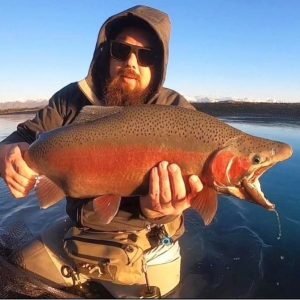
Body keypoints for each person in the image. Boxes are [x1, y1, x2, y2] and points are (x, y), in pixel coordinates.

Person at [0, 5, 203, 298]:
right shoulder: (70, 100)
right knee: (16, 272)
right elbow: (22, 136)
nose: (131, 62)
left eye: (146, 56)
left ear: (159, 64)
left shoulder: (176, 112)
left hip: (148, 243)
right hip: (77, 233)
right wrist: (6, 155)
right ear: (106, 53)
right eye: (121, 50)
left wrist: (158, 212)